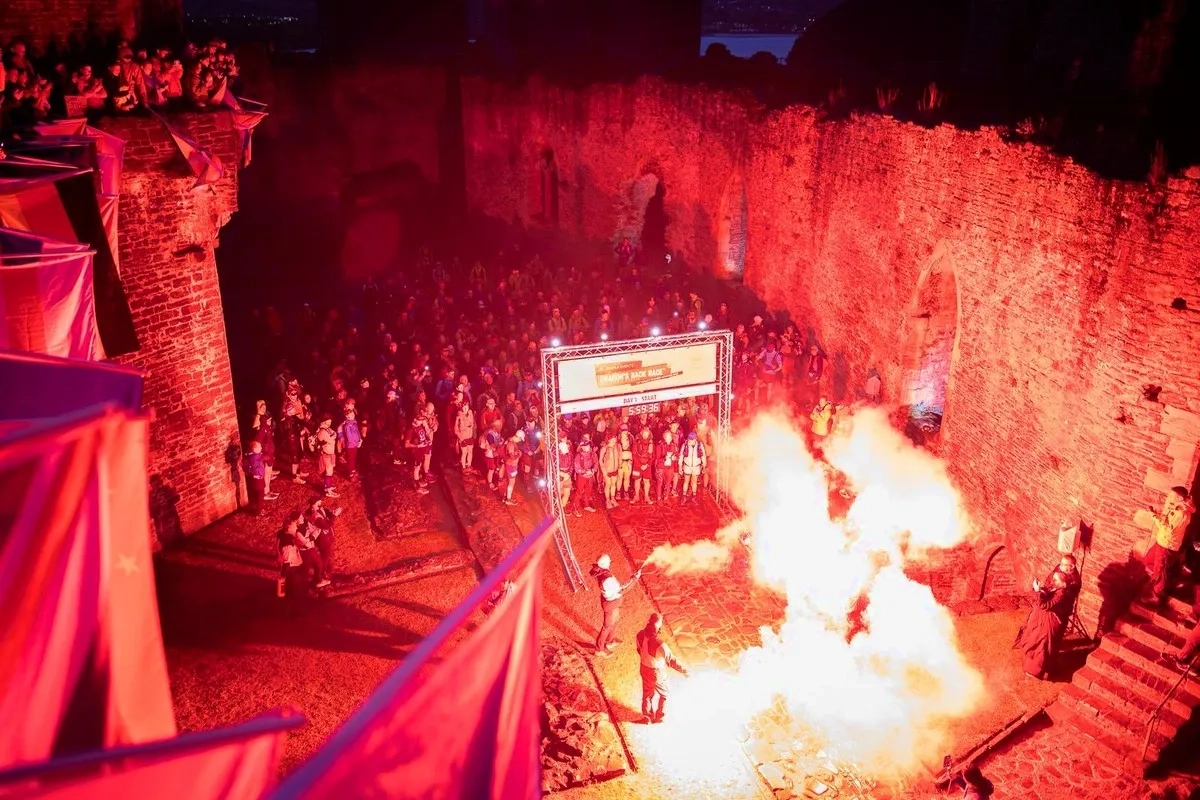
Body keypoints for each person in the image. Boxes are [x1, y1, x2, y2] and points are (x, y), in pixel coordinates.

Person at [1013, 553, 1081, 680]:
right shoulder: (1059, 571)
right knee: (1037, 638)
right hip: (1046, 614)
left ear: (1072, 567)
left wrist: (1040, 592)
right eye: (1061, 563)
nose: (1060, 566)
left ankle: (1040, 670)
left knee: (1046, 643)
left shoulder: (1073, 583)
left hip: (1056, 615)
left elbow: (1054, 601)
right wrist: (1043, 590)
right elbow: (1051, 583)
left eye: (1064, 565)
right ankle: (1033, 666)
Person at [1143, 486, 1194, 606]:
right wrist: (1156, 514)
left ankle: (1156, 596)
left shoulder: (1182, 514)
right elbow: (1167, 522)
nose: (1169, 497)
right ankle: (1159, 579)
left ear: (1180, 498)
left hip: (1167, 545)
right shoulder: (1177, 507)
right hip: (1162, 541)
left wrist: (1154, 516)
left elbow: (1168, 529)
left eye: (1172, 496)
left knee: (1161, 571)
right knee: (1149, 561)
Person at [636, 613, 689, 723]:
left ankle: (647, 717)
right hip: (656, 672)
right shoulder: (659, 644)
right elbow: (671, 660)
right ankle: (659, 716)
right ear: (658, 626)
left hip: (644, 668)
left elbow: (639, 650)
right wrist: (684, 670)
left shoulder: (639, 635)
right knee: (665, 694)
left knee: (647, 694)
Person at [590, 554, 640, 656]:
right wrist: (635, 579)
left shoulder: (601, 572)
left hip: (612, 602)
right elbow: (622, 589)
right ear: (605, 564)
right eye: (609, 562)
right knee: (607, 627)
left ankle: (609, 641)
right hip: (610, 604)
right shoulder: (607, 579)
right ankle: (599, 649)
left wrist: (633, 578)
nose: (610, 563)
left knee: (615, 620)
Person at [243, 440, 266, 515]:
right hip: (258, 479)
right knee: (260, 495)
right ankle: (259, 511)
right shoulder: (254, 458)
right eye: (259, 447)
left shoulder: (255, 456)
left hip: (259, 478)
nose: (261, 448)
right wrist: (255, 474)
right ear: (254, 449)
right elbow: (254, 468)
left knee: (259, 494)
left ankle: (259, 508)